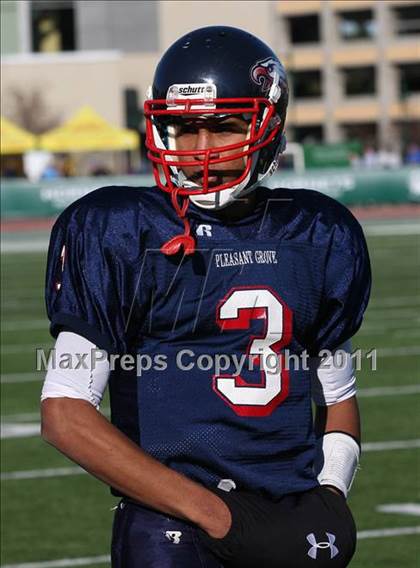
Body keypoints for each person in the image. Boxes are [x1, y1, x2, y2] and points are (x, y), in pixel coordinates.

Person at [41, 26, 371, 567]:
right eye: (185, 128)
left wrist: (333, 491)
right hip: (172, 524)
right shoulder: (121, 229)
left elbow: (337, 396)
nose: (201, 151)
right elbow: (65, 413)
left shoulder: (317, 232)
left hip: (290, 512)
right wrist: (217, 517)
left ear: (268, 125)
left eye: (223, 127)